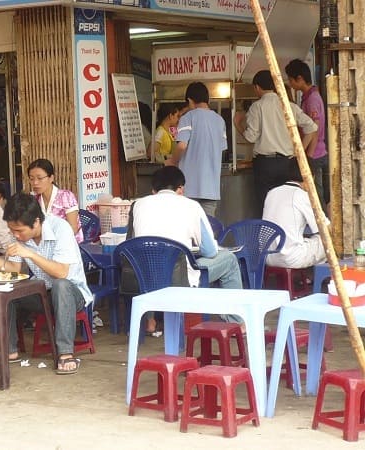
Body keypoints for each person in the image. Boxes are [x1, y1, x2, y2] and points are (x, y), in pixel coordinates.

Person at [0, 193, 93, 375]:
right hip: (42, 292)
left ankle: (65, 353)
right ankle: (8, 350)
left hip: (71, 293)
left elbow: (62, 272)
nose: (15, 235)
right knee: (9, 289)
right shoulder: (19, 235)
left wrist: (30, 254)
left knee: (60, 285)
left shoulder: (60, 228)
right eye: (12, 230)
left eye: (20, 230)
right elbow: (14, 269)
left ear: (36, 222)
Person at [132, 166, 243, 324]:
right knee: (230, 260)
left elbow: (134, 243)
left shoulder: (138, 205)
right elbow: (210, 251)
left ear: (153, 190)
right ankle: (236, 322)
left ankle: (150, 320)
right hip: (179, 278)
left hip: (145, 276)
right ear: (181, 189)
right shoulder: (191, 206)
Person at [233, 70, 318, 213]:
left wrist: (237, 125)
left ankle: (269, 234)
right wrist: (299, 151)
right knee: (285, 203)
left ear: (257, 87)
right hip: (287, 163)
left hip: (264, 165)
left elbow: (250, 137)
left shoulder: (257, 106)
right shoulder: (288, 105)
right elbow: (312, 127)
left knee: (266, 205)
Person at [168, 82, 227, 216]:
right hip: (211, 188)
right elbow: (222, 149)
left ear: (190, 100)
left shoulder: (187, 118)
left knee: (187, 232)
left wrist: (172, 161)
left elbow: (182, 145)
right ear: (208, 99)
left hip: (188, 188)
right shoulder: (220, 121)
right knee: (207, 230)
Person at [263, 159, 327, 268]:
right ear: (311, 177)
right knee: (328, 240)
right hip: (291, 258)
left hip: (268, 257)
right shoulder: (302, 196)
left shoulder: (272, 192)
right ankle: (317, 278)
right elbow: (324, 228)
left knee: (306, 241)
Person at [285, 58, 329, 207]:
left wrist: (307, 156)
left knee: (315, 195)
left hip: (315, 153)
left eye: (291, 80)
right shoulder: (308, 96)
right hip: (315, 152)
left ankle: (322, 226)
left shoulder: (312, 99)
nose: (290, 83)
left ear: (300, 79)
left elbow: (314, 129)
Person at [27, 158, 83, 243]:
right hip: (43, 244)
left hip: (67, 245)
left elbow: (73, 229)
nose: (35, 183)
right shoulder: (33, 198)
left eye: (40, 178)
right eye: (31, 179)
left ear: (51, 178)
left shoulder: (66, 196)